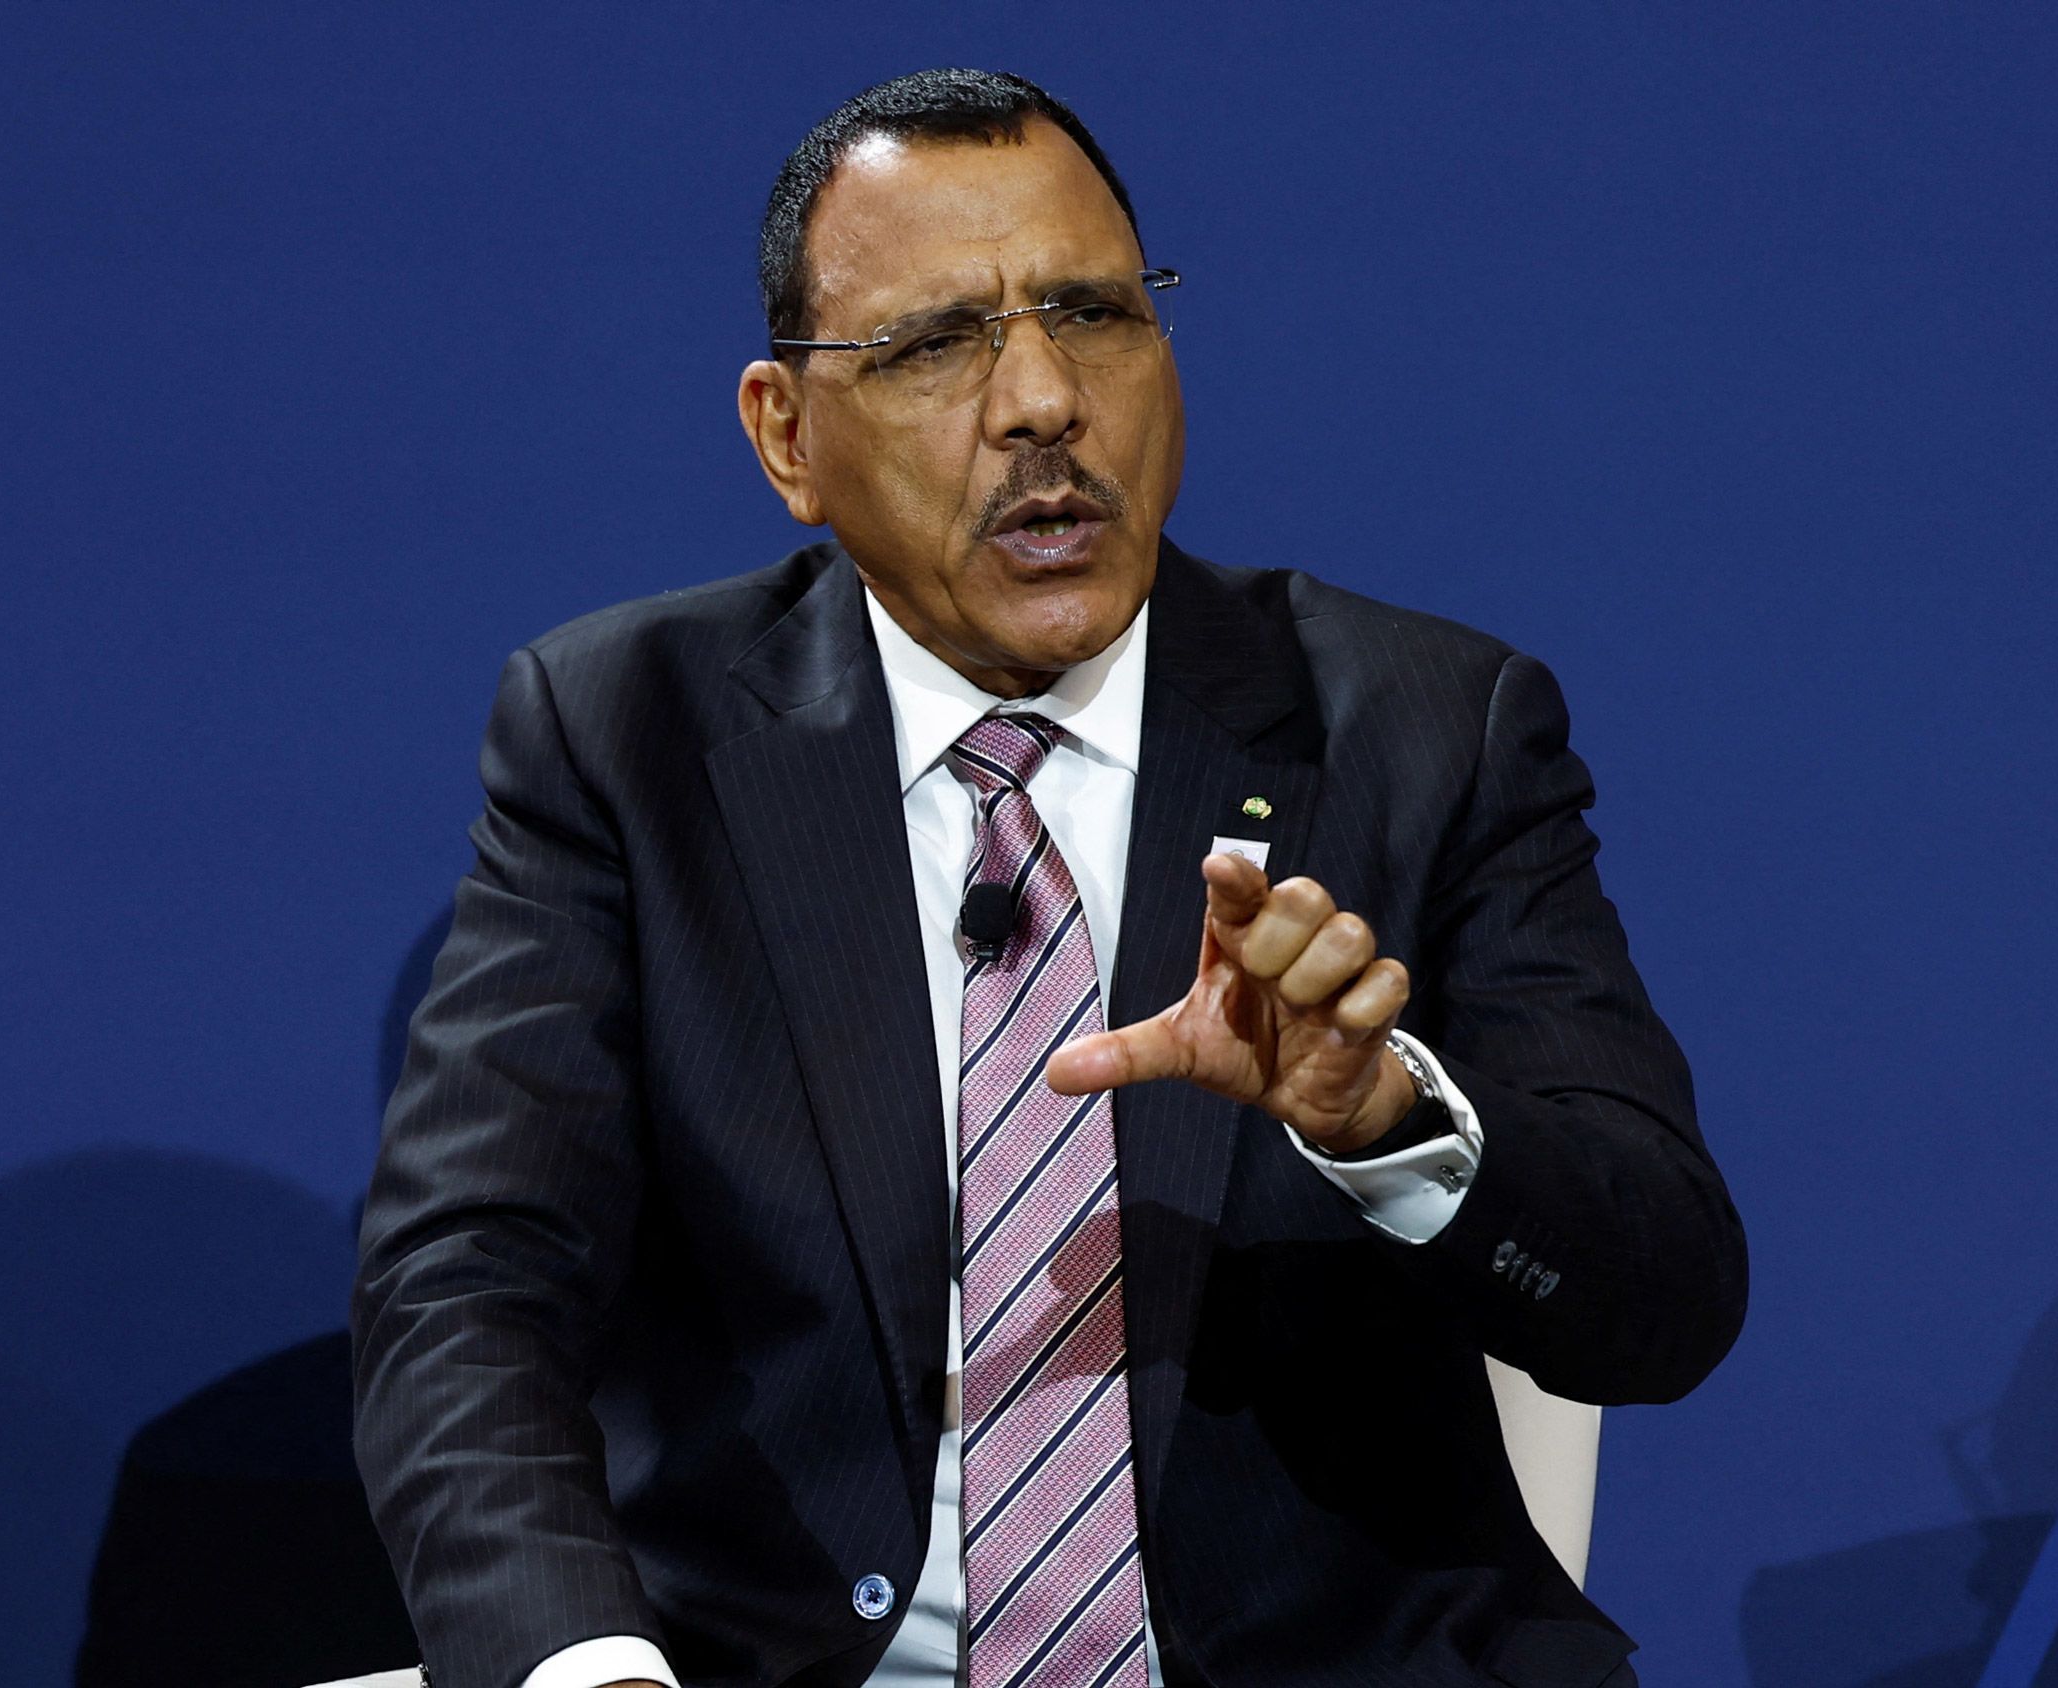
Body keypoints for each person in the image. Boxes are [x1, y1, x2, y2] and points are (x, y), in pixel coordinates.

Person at [351, 67, 1745, 1688]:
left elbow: (1665, 1303)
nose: (1041, 401)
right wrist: (586, 1668)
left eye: (1091, 314)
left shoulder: (1425, 729)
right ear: (787, 435)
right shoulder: (625, 737)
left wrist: (1390, 1123)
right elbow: (467, 1288)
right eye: (936, 344)